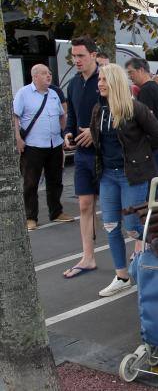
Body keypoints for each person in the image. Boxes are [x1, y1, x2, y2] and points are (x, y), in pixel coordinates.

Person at [90, 63, 158, 296]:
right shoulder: (98, 110)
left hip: (132, 176)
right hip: (107, 176)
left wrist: (141, 155)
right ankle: (122, 276)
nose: (100, 83)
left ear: (115, 82)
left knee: (134, 227)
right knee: (111, 226)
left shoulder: (135, 108)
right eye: (99, 79)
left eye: (104, 79)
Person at [13, 64, 73, 231]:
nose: (49, 76)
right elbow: (15, 117)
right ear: (35, 76)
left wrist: (63, 136)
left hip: (54, 144)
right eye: (44, 73)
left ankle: (56, 212)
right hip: (33, 146)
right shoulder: (23, 93)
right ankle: (31, 217)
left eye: (50, 73)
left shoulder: (53, 94)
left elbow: (62, 116)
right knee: (31, 183)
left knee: (55, 180)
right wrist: (18, 138)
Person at [63, 36, 101, 279]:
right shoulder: (72, 85)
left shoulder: (107, 80)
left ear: (93, 55)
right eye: (73, 56)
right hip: (83, 156)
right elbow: (73, 118)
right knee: (84, 205)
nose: (76, 60)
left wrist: (94, 131)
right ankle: (88, 257)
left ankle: (139, 250)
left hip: (108, 155)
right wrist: (68, 133)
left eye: (81, 56)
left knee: (118, 209)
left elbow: (119, 115)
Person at [125, 58, 158, 186]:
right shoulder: (155, 87)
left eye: (131, 72)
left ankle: (156, 207)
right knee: (157, 184)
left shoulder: (146, 90)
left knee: (152, 188)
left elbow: (144, 121)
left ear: (141, 70)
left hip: (152, 145)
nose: (130, 77)